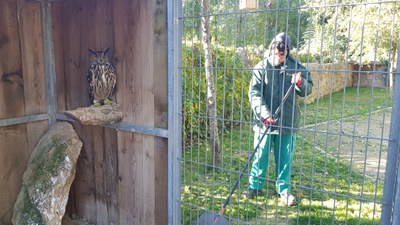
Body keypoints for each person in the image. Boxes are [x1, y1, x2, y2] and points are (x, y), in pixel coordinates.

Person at [242, 32, 313, 206]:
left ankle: (284, 190)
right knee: (261, 154)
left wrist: (300, 83)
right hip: (264, 122)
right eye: (275, 53)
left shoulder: (297, 68)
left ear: (287, 52)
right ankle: (255, 186)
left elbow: (308, 89)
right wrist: (265, 114)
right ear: (271, 49)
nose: (278, 57)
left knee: (285, 158)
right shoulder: (261, 67)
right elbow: (254, 93)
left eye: (282, 54)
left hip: (287, 122)